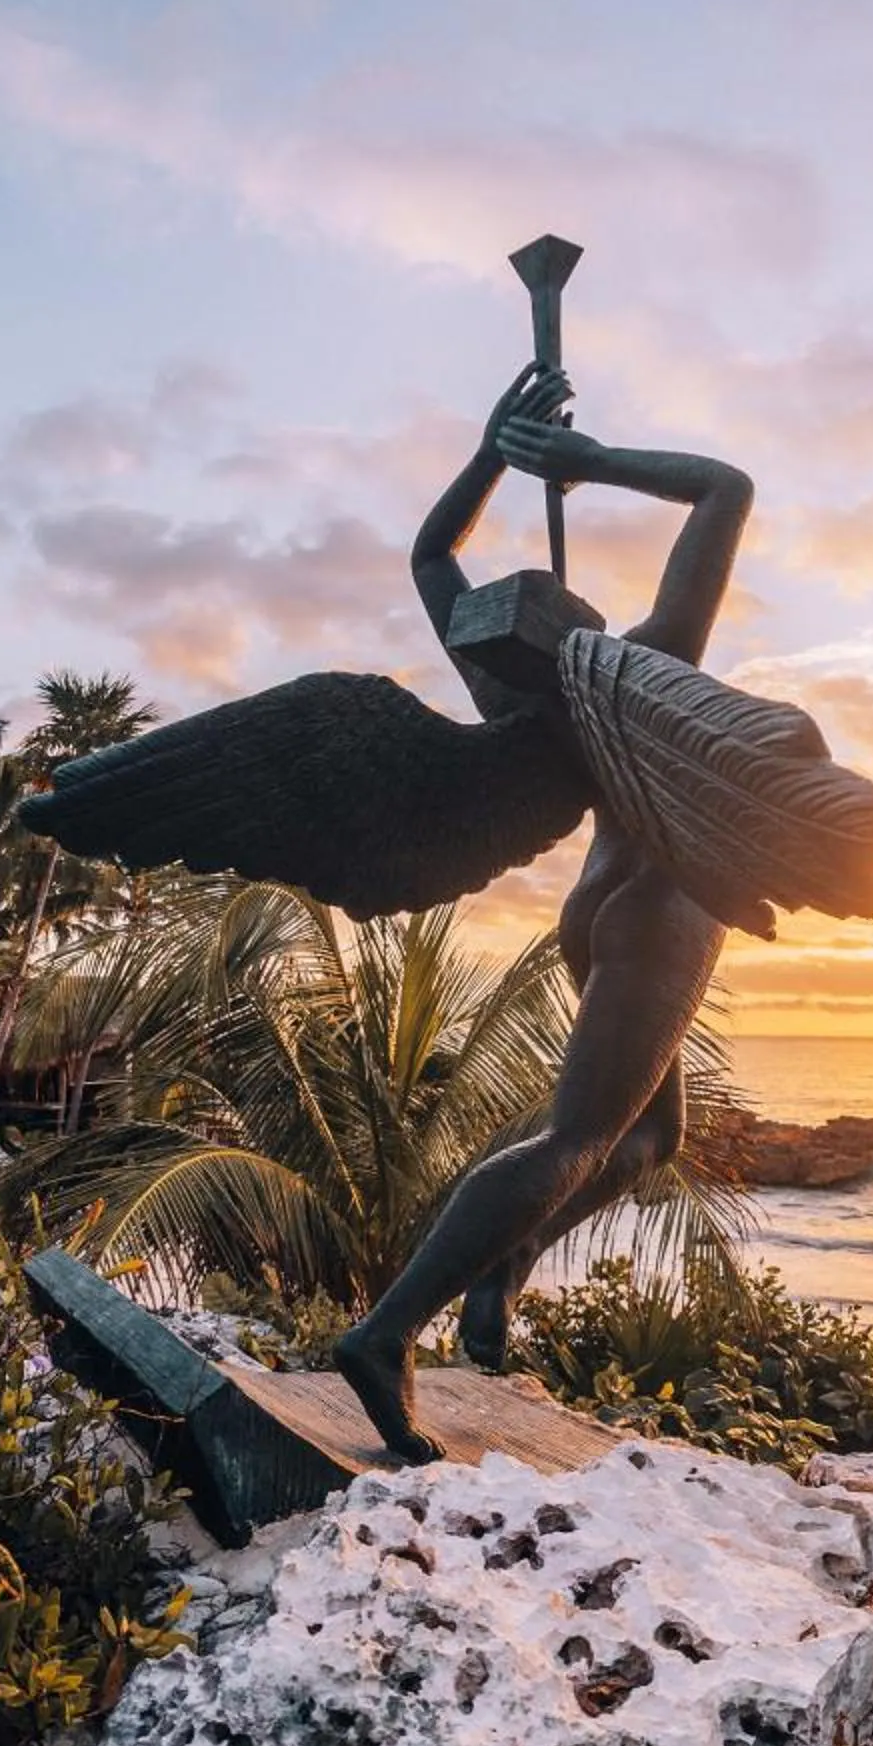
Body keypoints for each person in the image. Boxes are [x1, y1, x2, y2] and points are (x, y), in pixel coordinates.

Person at [335, 361, 754, 1461]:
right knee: (580, 1136)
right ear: (571, 623)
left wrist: (492, 451)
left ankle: (503, 1266)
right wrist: (588, 462)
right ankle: (384, 1334)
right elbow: (724, 489)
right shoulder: (636, 669)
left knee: (648, 1137)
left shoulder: (509, 699)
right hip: (660, 907)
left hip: (593, 909)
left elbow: (430, 559)